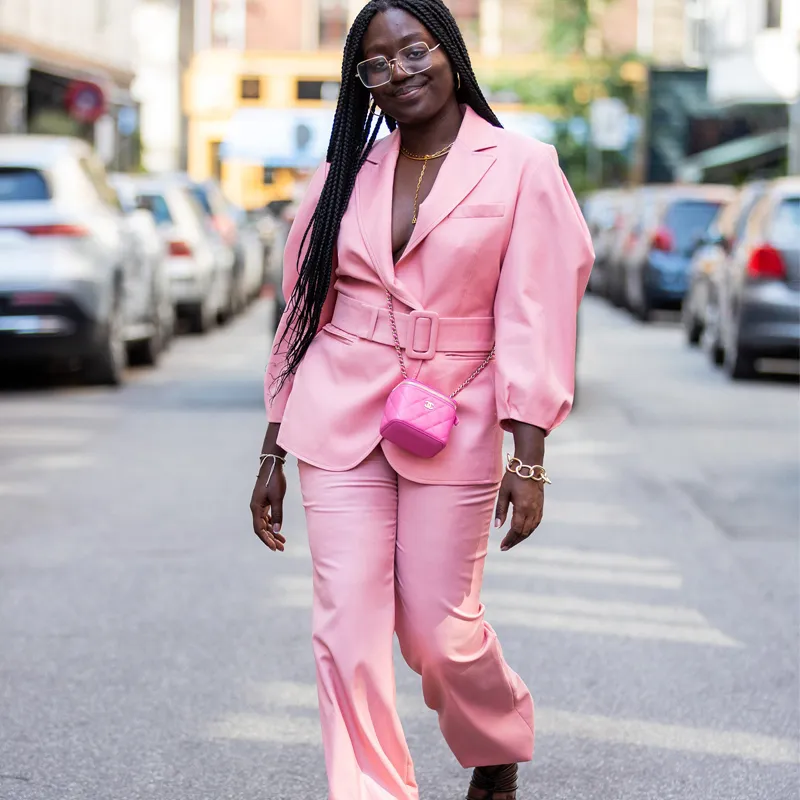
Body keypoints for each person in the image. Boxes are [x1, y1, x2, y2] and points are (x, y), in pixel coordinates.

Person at [249, 1, 594, 798]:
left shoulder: (520, 165)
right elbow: (303, 309)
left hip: (458, 414)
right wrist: (272, 448)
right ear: (360, 80)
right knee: (347, 628)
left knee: (440, 634)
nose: (397, 72)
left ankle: (494, 740)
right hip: (339, 411)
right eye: (376, 64)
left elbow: (537, 312)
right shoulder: (346, 172)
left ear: (449, 48)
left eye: (413, 51)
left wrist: (530, 455)